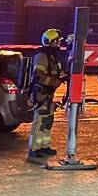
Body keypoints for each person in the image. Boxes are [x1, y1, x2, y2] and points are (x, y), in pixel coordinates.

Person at [27, 28, 65, 160]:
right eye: (56, 42)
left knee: (48, 121)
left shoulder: (52, 57)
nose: (58, 44)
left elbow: (54, 72)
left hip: (48, 95)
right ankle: (34, 148)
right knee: (39, 121)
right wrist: (56, 82)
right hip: (41, 94)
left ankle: (44, 146)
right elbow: (38, 76)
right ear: (49, 42)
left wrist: (62, 77)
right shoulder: (42, 56)